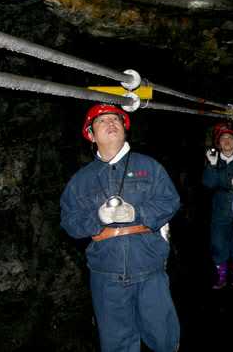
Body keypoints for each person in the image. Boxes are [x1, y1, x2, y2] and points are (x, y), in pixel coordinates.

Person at [60, 104, 180, 352]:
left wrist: (138, 213)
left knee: (164, 337)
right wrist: (97, 217)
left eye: (115, 119)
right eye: (101, 121)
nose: (110, 123)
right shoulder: (81, 181)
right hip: (106, 273)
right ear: (91, 135)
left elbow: (170, 201)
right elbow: (70, 222)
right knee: (117, 344)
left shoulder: (149, 167)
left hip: (149, 267)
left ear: (125, 129)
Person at [203, 123, 233, 289]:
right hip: (220, 210)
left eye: (230, 138)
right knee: (218, 244)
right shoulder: (214, 161)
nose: (227, 141)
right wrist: (212, 165)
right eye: (223, 138)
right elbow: (208, 183)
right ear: (218, 143)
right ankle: (221, 278)